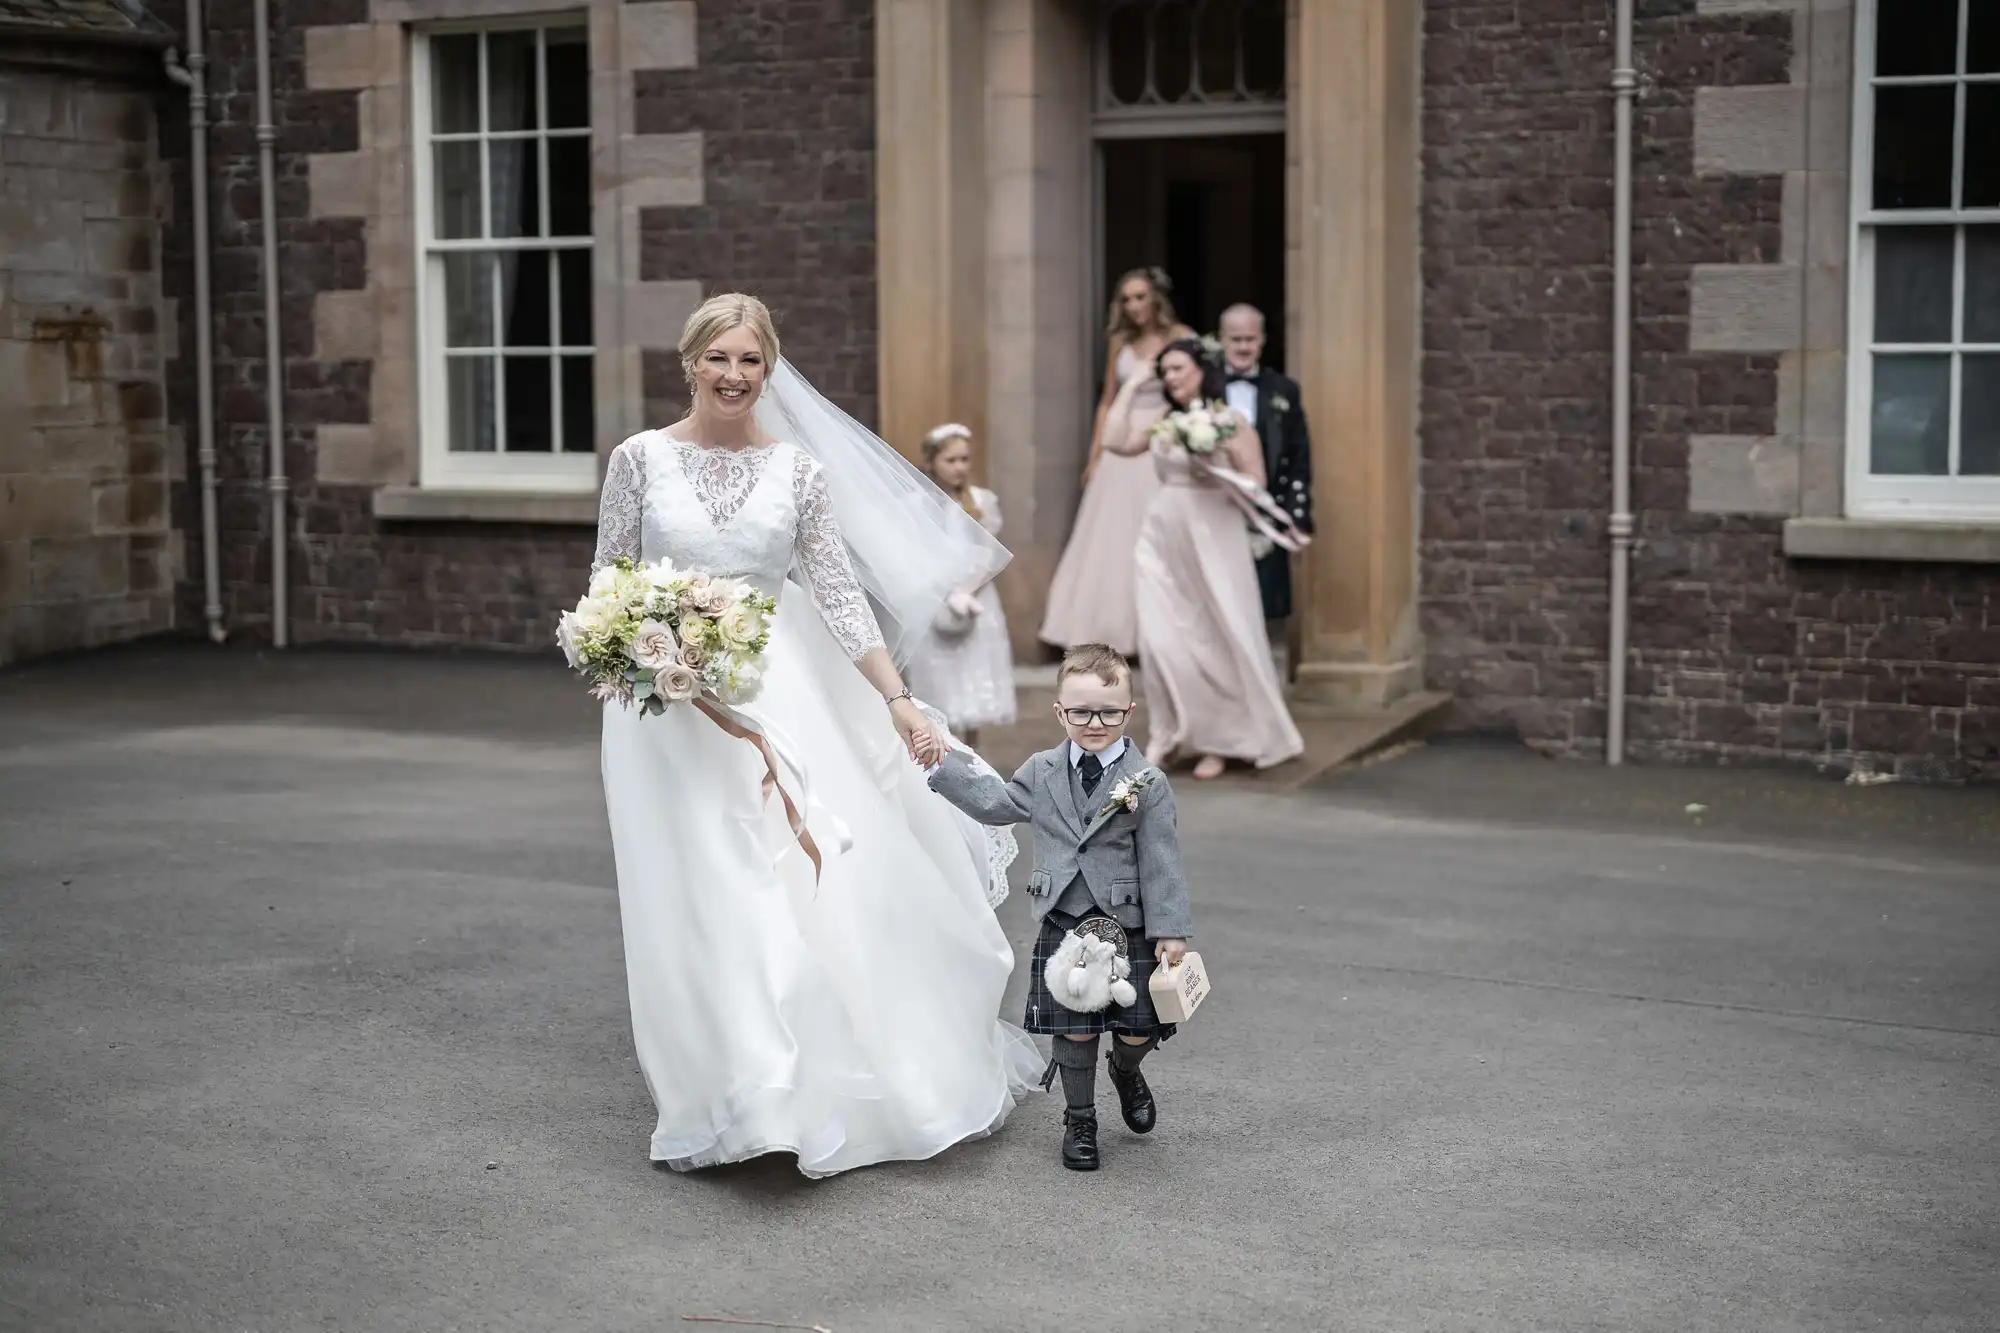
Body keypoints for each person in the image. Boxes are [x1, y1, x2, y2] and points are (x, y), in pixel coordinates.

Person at [590, 293, 1041, 1177]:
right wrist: (630, 649)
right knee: (698, 892)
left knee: (783, 884)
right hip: (668, 709)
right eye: (718, 358)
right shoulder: (639, 459)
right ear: (690, 362)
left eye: (750, 361)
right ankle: (730, 1082)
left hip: (780, 695)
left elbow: (836, 593)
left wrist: (899, 699)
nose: (733, 375)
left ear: (770, 369)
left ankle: (781, 1092)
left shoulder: (797, 471)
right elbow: (610, 571)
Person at [925, 644, 1192, 1172]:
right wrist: (941, 764)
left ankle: (1126, 1067)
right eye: (1081, 712)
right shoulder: (1042, 771)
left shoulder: (1148, 782)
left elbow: (1162, 858)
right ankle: (1080, 1118)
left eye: (1109, 712)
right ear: (1059, 712)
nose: (1095, 723)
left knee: (1139, 1027)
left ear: (1129, 712)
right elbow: (998, 805)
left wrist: (1171, 930)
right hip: (1065, 920)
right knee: (1073, 1028)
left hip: (1127, 918)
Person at [1106, 337, 1304, 780]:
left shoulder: (1228, 420)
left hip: (1213, 533)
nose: (1170, 378)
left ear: (1201, 370)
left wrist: (1215, 460)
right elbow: (1114, 441)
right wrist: (1132, 386)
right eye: (1166, 371)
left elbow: (1256, 481)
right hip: (1161, 534)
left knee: (1216, 634)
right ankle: (1169, 733)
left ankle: (1220, 740)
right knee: (1161, 639)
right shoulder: (1162, 421)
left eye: (1177, 368)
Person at [1038, 268, 1196, 655]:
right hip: (1118, 446)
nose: (1133, 306)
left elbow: (1191, 395)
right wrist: (1095, 457)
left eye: (1140, 297)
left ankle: (1163, 634)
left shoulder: (1182, 338)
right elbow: (1107, 399)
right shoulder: (1119, 342)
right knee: (1110, 544)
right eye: (1126, 299)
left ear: (1156, 298)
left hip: (1159, 443)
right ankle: (1111, 632)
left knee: (1156, 538)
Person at [902, 423, 1017, 746]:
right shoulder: (918, 504)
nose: (959, 468)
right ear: (932, 462)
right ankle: (938, 747)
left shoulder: (982, 501)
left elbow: (989, 552)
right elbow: (914, 552)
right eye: (950, 460)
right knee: (939, 677)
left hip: (974, 594)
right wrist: (941, 590)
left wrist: (967, 589)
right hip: (934, 596)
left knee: (973, 672)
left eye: (964, 459)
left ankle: (972, 750)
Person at [1217, 303, 1314, 631]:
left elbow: (1299, 454)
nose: (1243, 347)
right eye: (1235, 339)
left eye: (1250, 339)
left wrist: (1296, 513)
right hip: (1215, 506)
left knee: (1261, 606)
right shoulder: (1204, 385)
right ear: (1221, 340)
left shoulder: (1283, 389)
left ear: (1262, 341)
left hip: (1266, 508)